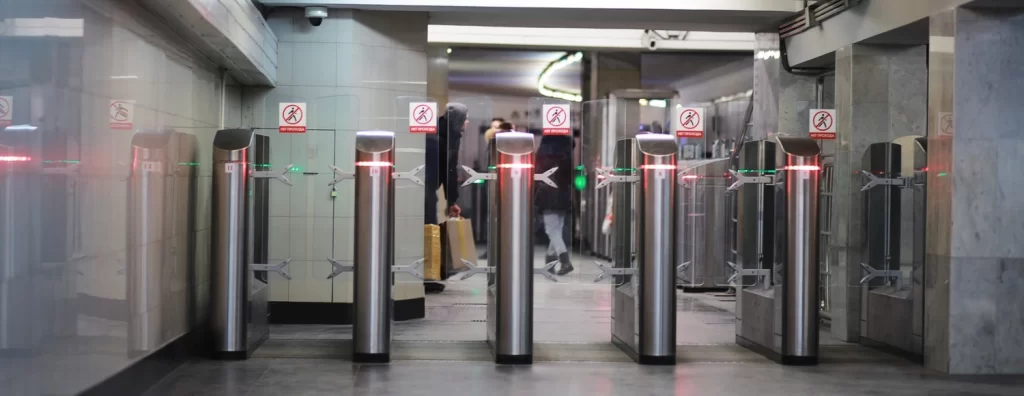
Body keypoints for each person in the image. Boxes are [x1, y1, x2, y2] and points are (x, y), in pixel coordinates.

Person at [424, 103, 468, 293]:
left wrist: (451, 200)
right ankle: (428, 276)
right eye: (465, 118)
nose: (467, 121)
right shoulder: (444, 137)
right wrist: (452, 201)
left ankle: (432, 273)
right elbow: (449, 169)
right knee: (430, 229)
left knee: (429, 229)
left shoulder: (441, 132)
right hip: (424, 189)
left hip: (425, 188)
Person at [534, 133, 574, 275]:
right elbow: (570, 176)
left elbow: (537, 173)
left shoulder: (543, 153)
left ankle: (565, 262)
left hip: (547, 194)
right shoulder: (567, 154)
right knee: (556, 229)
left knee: (551, 230)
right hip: (563, 194)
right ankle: (550, 262)